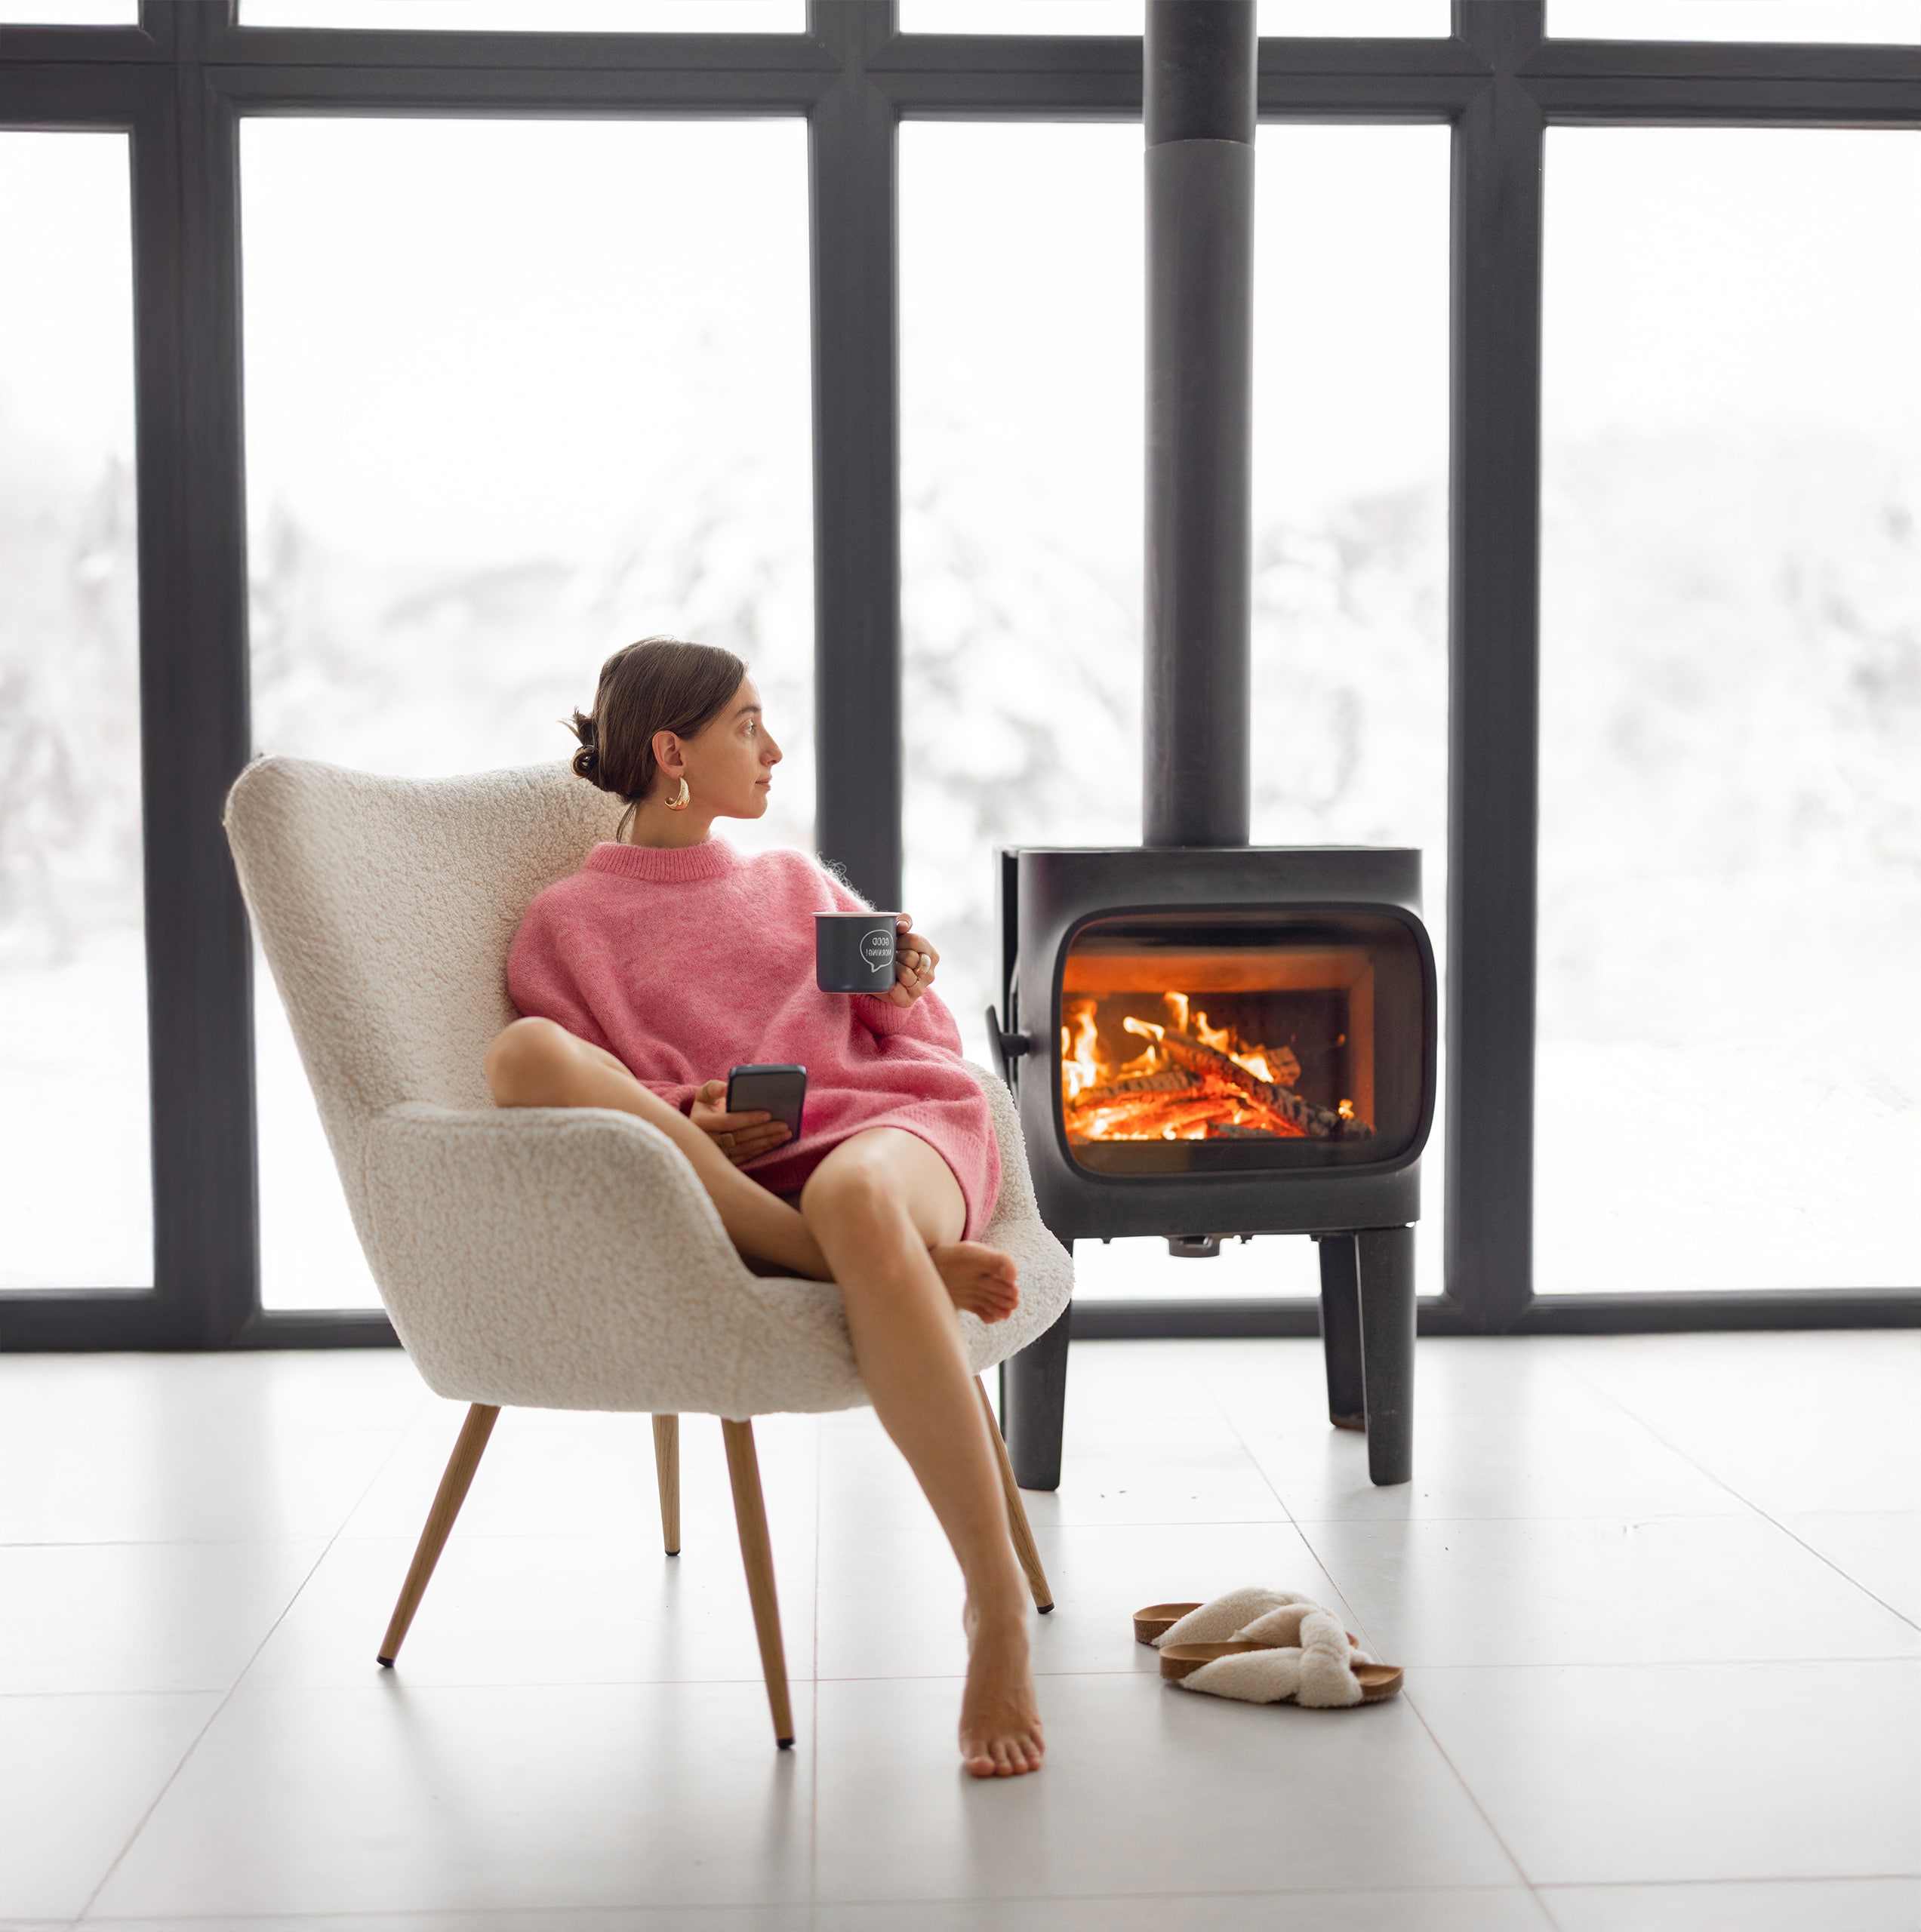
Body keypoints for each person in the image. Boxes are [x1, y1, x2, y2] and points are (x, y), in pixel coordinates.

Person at [483, 635, 1045, 1779]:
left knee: (854, 1195)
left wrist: (901, 992)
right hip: (731, 1183)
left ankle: (990, 1610)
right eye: (748, 725)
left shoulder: (795, 884)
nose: (774, 749)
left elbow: (923, 1053)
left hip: (895, 1138)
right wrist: (681, 1116)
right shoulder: (565, 926)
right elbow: (583, 1104)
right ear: (670, 751)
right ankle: (863, 1261)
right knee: (524, 1053)